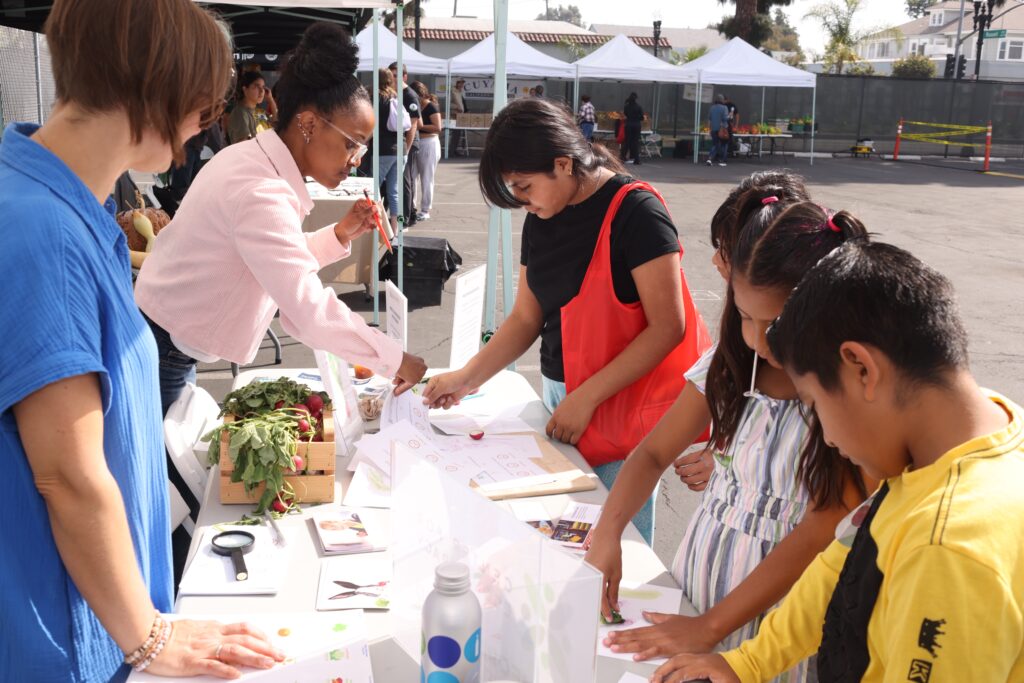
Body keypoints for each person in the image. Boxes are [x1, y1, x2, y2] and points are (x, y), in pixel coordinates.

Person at [0, 1, 285, 680]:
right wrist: (150, 637)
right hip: (69, 632)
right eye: (206, 107)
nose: (202, 126)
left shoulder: (68, 204)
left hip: (98, 613)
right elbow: (67, 474)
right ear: (164, 91)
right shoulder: (45, 232)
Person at [652, 241, 1024, 683]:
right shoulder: (966, 435)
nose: (827, 437)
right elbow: (839, 561)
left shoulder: (944, 549)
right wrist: (745, 662)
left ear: (861, 369)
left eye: (816, 404)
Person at [135, 22, 428, 577]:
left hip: (169, 342)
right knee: (167, 503)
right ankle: (168, 609)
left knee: (177, 489)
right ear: (309, 124)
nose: (356, 160)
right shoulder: (263, 189)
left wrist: (338, 236)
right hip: (161, 351)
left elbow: (268, 262)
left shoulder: (256, 164)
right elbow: (305, 308)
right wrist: (394, 358)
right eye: (352, 143)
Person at [589, 194, 870, 682]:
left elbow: (822, 524)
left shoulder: (847, 399)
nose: (759, 338)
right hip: (696, 589)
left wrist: (710, 627)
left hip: (779, 620)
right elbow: (654, 452)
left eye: (776, 324)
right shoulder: (729, 362)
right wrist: (607, 532)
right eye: (745, 317)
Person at [422, 98, 711, 545]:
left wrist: (587, 398)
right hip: (562, 397)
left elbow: (668, 327)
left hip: (616, 405)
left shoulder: (638, 213)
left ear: (563, 164)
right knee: (564, 541)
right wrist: (464, 378)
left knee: (615, 548)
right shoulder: (544, 214)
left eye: (524, 186)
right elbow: (525, 318)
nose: (521, 202)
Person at [389, 61, 421, 228]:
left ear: (404, 76)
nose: (392, 79)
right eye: (391, 75)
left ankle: (406, 218)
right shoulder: (392, 93)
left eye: (396, 75)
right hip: (397, 143)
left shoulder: (409, 95)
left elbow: (414, 124)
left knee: (404, 180)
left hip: (408, 142)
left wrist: (406, 149)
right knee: (397, 182)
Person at [375, 67, 402, 235]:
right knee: (394, 191)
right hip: (399, 148)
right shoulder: (395, 96)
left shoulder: (377, 98)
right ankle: (395, 229)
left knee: (374, 188)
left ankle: (378, 227)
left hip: (382, 148)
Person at [412, 81, 441, 222]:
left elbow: (438, 127)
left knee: (426, 177)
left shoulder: (431, 106)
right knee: (412, 177)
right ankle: (411, 207)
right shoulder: (416, 105)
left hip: (429, 143)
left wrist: (419, 127)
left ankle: (425, 209)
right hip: (417, 142)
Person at [227, 71, 270, 144]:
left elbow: (272, 130)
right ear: (245, 89)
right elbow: (243, 143)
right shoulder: (240, 113)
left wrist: (270, 100)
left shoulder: (258, 112)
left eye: (263, 87)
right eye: (256, 87)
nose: (262, 91)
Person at [622, 92, 644, 165]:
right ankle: (636, 159)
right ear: (636, 98)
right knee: (635, 142)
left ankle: (623, 158)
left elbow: (625, 114)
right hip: (636, 125)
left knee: (627, 142)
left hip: (628, 125)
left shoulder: (626, 106)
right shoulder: (639, 107)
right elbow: (642, 117)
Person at [708, 93, 730, 167]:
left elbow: (710, 119)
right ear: (722, 100)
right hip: (722, 129)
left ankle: (710, 158)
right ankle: (722, 160)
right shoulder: (724, 108)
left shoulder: (712, 108)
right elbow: (725, 118)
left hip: (713, 128)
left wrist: (709, 128)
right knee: (724, 144)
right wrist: (730, 116)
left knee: (715, 144)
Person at [450, 78, 466, 156]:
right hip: (454, 115)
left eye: (463, 83)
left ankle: (454, 150)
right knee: (455, 134)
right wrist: (456, 107)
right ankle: (451, 151)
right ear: (456, 83)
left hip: (460, 115)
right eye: (460, 83)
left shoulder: (460, 92)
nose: (462, 84)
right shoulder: (452, 92)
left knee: (458, 134)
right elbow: (448, 104)